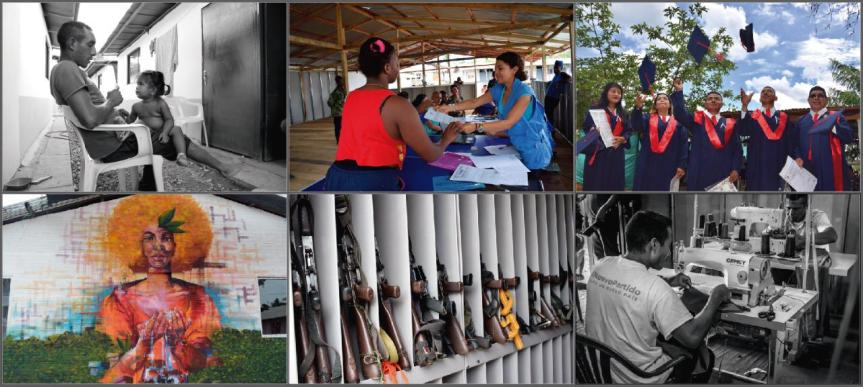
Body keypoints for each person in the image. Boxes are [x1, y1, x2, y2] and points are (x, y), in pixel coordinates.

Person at [49, 21, 239, 191]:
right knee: (173, 136)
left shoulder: (63, 70)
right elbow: (90, 119)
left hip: (111, 140)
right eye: (90, 44)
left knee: (153, 130)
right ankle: (223, 167)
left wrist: (114, 112)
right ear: (72, 43)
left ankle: (148, 184)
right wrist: (111, 102)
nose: (94, 51)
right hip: (114, 147)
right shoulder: (67, 69)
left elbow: (89, 111)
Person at [585, 210, 730, 384]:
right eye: (668, 245)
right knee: (699, 354)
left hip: (599, 371)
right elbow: (692, 337)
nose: (668, 252)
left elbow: (629, 280)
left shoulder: (601, 266)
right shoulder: (656, 288)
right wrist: (715, 296)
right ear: (653, 244)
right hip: (639, 378)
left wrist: (669, 280)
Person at [98, 195, 221, 383]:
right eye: (149, 238)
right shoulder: (120, 300)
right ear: (138, 245)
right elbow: (114, 369)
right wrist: (143, 345)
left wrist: (178, 343)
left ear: (176, 245)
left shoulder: (199, 299)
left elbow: (205, 363)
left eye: (166, 238)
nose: (158, 246)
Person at [324, 37, 459, 190]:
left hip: (337, 178)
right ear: (387, 68)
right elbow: (431, 155)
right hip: (373, 183)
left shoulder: (351, 98)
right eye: (397, 63)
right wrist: (446, 139)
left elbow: (374, 126)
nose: (398, 67)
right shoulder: (399, 104)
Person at [436, 51, 554, 170]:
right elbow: (474, 102)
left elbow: (509, 122)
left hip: (534, 150)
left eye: (500, 68)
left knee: (530, 180)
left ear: (514, 69)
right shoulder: (499, 89)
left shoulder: (524, 92)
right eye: (495, 69)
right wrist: (449, 108)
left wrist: (476, 127)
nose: (496, 72)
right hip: (516, 146)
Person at [671, 78, 743, 191]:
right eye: (710, 99)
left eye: (717, 99)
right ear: (705, 103)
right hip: (699, 172)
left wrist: (735, 168)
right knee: (697, 206)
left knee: (721, 206)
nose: (713, 100)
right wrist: (679, 91)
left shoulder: (730, 124)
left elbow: (737, 149)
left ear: (722, 103)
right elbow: (679, 114)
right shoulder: (697, 119)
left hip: (723, 173)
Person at [739, 86, 801, 191]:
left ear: (775, 98)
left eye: (770, 91)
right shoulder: (753, 116)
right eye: (763, 91)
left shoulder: (784, 117)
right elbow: (742, 130)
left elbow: (791, 142)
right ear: (759, 98)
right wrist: (745, 106)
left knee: (777, 201)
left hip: (779, 164)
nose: (766, 93)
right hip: (757, 165)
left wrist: (797, 157)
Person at [127, 71, 192, 167]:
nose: (137, 87)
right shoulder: (136, 106)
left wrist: (165, 132)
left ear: (153, 90)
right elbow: (130, 121)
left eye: (141, 84)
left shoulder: (160, 103)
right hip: (147, 135)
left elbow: (169, 119)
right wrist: (123, 117)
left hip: (162, 130)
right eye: (137, 84)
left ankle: (181, 155)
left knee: (176, 129)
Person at [796, 86, 854, 191]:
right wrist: (797, 157)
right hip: (806, 168)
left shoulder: (836, 117)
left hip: (830, 168)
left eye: (820, 96)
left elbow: (849, 137)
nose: (816, 98)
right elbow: (795, 144)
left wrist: (832, 126)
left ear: (826, 100)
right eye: (813, 96)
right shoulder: (801, 121)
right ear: (808, 100)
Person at [630, 92, 688, 191]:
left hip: (670, 164)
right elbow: (636, 126)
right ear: (655, 105)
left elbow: (683, 146)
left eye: (665, 98)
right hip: (647, 162)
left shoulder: (679, 123)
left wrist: (682, 165)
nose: (661, 100)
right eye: (659, 99)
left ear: (670, 104)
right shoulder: (647, 118)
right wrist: (638, 108)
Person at [579, 82, 630, 190]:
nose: (616, 94)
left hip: (616, 152)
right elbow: (586, 126)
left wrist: (623, 138)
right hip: (599, 151)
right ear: (606, 93)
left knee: (614, 182)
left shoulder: (623, 113)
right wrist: (592, 129)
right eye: (613, 91)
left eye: (619, 92)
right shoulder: (596, 110)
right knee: (597, 181)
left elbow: (628, 130)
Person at [544, 60, 571, 124]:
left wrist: (560, 83)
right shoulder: (556, 76)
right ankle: (549, 128)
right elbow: (554, 82)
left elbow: (570, 79)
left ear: (561, 68)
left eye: (557, 67)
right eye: (554, 67)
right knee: (547, 113)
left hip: (553, 98)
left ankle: (551, 130)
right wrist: (550, 82)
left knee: (549, 114)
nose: (555, 69)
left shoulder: (562, 74)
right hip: (549, 97)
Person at [327, 75, 347, 143]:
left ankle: (343, 140)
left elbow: (344, 100)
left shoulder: (342, 90)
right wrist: (336, 106)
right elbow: (329, 102)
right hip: (337, 113)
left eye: (342, 81)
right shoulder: (335, 92)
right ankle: (338, 140)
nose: (342, 82)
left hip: (343, 112)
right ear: (337, 82)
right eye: (340, 81)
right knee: (338, 127)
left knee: (343, 127)